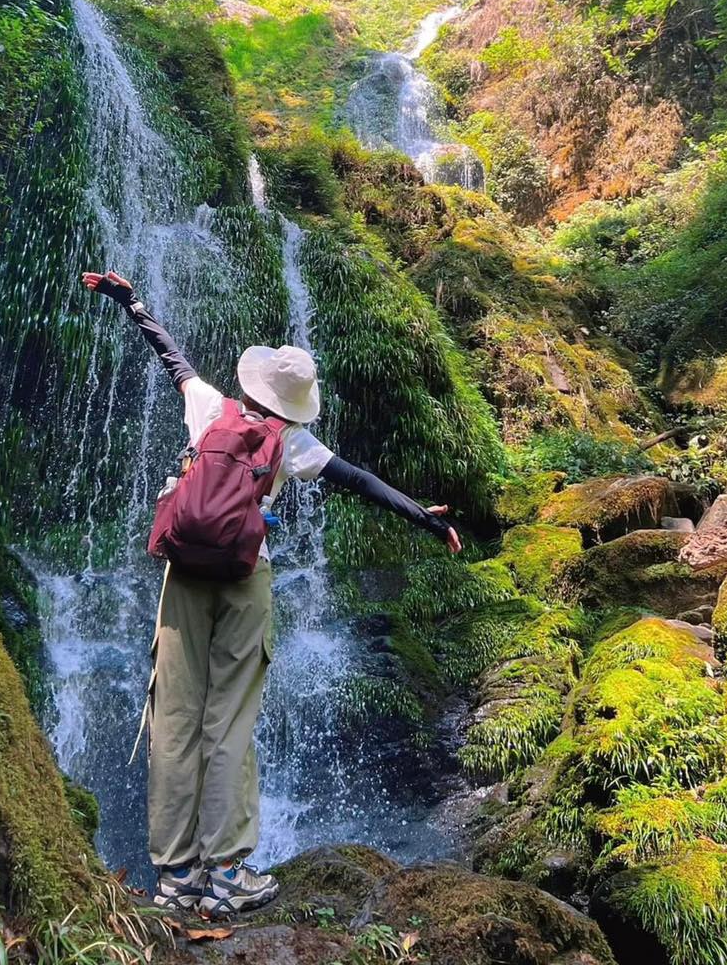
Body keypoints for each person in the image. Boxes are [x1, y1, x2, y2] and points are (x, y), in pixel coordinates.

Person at [81, 269, 462, 921]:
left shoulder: (210, 409)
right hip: (244, 575)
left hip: (183, 575)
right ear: (294, 402)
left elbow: (170, 353)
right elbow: (361, 481)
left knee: (173, 721)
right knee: (227, 723)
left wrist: (130, 301)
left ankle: (174, 879)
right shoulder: (293, 443)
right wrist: (424, 518)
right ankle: (226, 872)